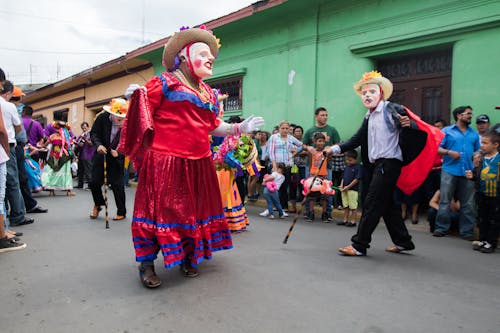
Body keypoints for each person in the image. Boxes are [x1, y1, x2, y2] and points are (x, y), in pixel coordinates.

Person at [119, 26, 264, 288]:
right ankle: (147, 263)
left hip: (199, 162)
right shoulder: (163, 82)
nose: (211, 59)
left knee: (193, 212)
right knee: (157, 212)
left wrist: (238, 128)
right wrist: (136, 97)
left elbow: (211, 125)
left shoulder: (208, 92)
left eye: (212, 56)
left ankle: (188, 255)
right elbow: (141, 113)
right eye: (204, 53)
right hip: (165, 161)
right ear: (185, 56)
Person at [326, 71, 442, 256]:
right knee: (387, 206)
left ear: (381, 93)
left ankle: (359, 245)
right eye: (364, 93)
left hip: (389, 164)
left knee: (371, 202)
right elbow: (357, 138)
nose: (367, 95)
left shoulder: (391, 109)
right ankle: (404, 242)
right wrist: (334, 149)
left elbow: (415, 127)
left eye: (371, 91)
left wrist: (407, 125)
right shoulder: (369, 116)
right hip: (375, 166)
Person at [433, 106, 480, 240]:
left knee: (469, 203)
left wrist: (477, 156)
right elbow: (437, 148)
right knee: (445, 201)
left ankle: (467, 232)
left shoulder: (473, 133)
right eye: (468, 114)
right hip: (449, 171)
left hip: (468, 172)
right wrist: (449, 152)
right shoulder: (446, 131)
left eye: (471, 113)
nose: (471, 116)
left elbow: (477, 150)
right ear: (459, 115)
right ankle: (441, 228)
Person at [0, 81, 34, 227]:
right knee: (12, 182)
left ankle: (4, 216)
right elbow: (16, 128)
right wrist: (9, 142)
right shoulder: (8, 106)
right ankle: (17, 216)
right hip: (8, 146)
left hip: (7, 145)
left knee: (3, 184)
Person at [0, 69, 26, 252]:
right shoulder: (7, 106)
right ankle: (6, 228)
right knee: (9, 186)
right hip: (5, 145)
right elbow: (13, 128)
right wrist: (7, 146)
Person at [89, 99, 128, 221]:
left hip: (117, 157)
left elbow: (131, 142)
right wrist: (98, 145)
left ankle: (121, 212)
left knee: (118, 185)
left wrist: (120, 153)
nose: (122, 122)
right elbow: (94, 133)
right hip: (102, 154)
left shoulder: (128, 122)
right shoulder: (102, 118)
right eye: (119, 119)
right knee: (94, 182)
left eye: (123, 118)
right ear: (113, 115)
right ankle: (98, 204)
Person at [303, 107, 341, 221]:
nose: (325, 117)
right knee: (310, 189)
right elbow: (303, 145)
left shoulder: (332, 130)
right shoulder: (310, 130)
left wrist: (331, 148)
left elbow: (338, 144)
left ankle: (327, 213)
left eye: (326, 115)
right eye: (322, 115)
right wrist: (308, 147)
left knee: (326, 190)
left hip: (326, 167)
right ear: (316, 116)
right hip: (311, 166)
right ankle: (309, 212)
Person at [471, 127, 499, 253]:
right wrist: (472, 175)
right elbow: (477, 175)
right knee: (482, 218)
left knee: (494, 220)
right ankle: (482, 240)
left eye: (485, 143)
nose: (482, 146)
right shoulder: (480, 158)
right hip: (482, 194)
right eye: (482, 143)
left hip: (496, 196)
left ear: (496, 144)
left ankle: (491, 243)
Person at [267, 120, 303, 213]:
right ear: (279, 128)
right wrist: (274, 166)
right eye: (283, 128)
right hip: (278, 165)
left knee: (285, 185)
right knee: (276, 186)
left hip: (288, 165)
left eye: (287, 128)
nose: (285, 130)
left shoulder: (291, 138)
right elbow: (271, 152)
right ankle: (276, 205)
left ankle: (284, 206)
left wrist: (294, 152)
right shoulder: (274, 137)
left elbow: (301, 145)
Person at [41, 111, 76, 196]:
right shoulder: (66, 129)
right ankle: (68, 190)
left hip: (54, 153)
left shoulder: (51, 130)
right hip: (65, 154)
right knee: (66, 171)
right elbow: (72, 139)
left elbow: (45, 138)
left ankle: (51, 190)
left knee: (52, 170)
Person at [303, 132, 330, 222]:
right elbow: (310, 163)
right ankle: (311, 213)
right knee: (311, 196)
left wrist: (327, 152)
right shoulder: (312, 151)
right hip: (313, 175)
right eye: (319, 141)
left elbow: (330, 160)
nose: (321, 143)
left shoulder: (326, 151)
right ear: (315, 142)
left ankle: (325, 213)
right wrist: (312, 174)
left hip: (323, 175)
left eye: (322, 141)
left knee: (324, 196)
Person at [338, 150, 362, 227]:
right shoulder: (346, 167)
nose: (348, 162)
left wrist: (348, 187)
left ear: (356, 159)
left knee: (353, 207)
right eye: (347, 160)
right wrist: (341, 185)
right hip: (344, 190)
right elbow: (343, 178)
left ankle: (353, 221)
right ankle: (345, 220)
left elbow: (357, 179)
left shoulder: (358, 167)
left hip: (352, 190)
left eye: (350, 160)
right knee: (345, 205)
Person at [75, 121, 94, 189]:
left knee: (88, 170)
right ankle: (80, 185)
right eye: (82, 128)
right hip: (81, 155)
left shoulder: (91, 134)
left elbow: (92, 144)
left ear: (88, 127)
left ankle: (90, 185)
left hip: (88, 155)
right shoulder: (81, 135)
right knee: (80, 171)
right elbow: (77, 142)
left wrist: (85, 139)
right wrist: (77, 143)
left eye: (85, 128)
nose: (84, 129)